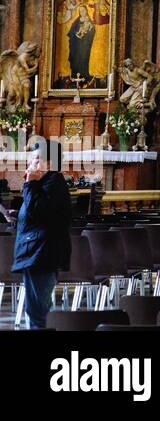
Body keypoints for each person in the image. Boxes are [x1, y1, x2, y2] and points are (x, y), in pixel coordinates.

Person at [7, 140, 71, 329]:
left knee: (38, 312)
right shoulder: (45, 182)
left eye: (36, 159)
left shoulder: (54, 181)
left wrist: (29, 183)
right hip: (36, 252)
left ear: (50, 163)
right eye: (31, 159)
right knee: (35, 309)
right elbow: (39, 214)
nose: (31, 164)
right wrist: (18, 216)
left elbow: (40, 211)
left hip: (42, 254)